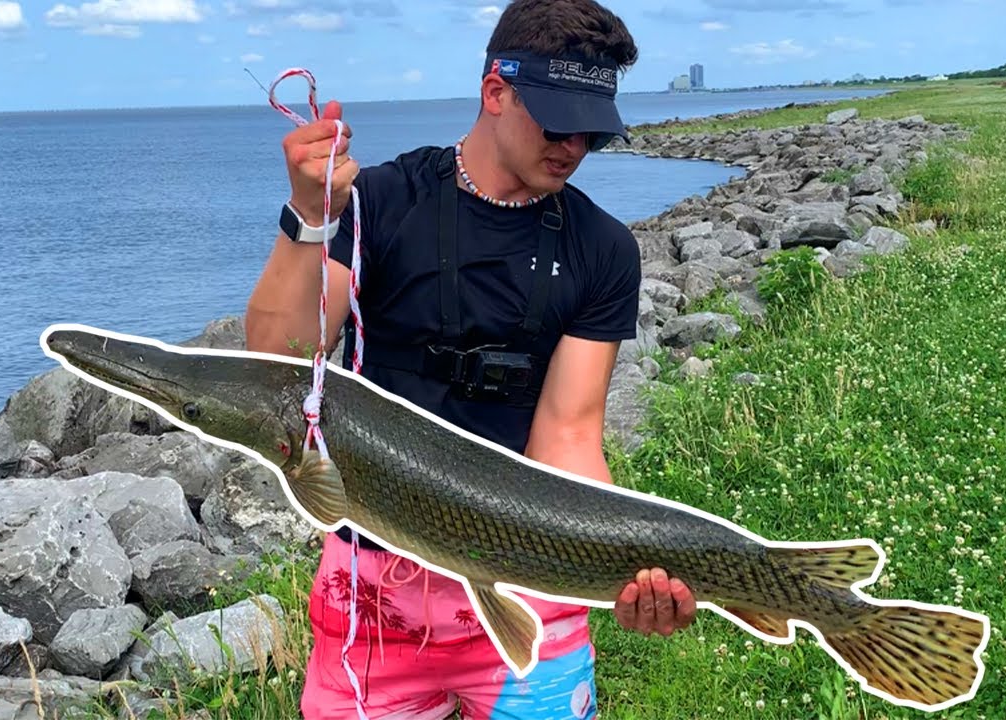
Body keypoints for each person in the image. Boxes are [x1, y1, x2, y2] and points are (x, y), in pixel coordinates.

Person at [245, 1, 696, 717]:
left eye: (593, 134)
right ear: (496, 92)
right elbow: (278, 362)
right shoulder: (382, 203)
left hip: (527, 581)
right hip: (372, 591)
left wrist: (626, 563)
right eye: (556, 123)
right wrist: (309, 217)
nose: (572, 146)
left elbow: (569, 435)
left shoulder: (604, 250)